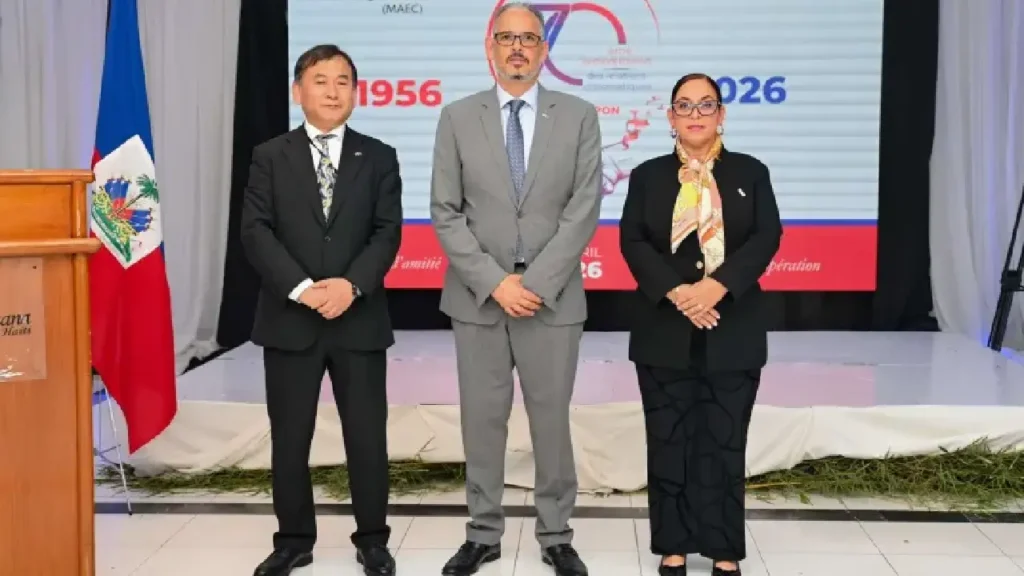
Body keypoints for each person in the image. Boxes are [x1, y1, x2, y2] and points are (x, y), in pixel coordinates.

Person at [428, 3, 602, 575]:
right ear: (490, 47)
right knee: (482, 420)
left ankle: (556, 536)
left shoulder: (578, 115)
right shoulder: (456, 117)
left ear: (545, 49)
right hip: (479, 299)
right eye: (507, 38)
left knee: (551, 421)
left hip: (551, 301)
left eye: (529, 37)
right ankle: (482, 533)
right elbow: (445, 212)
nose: (518, 47)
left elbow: (584, 209)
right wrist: (496, 282)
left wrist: (538, 282)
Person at [241, 44, 402, 576]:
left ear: (355, 92)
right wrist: (305, 288)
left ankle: (373, 539)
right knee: (290, 437)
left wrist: (350, 286)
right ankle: (292, 540)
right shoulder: (270, 155)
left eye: (343, 81)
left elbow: (386, 233)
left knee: (366, 437)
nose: (333, 91)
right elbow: (255, 231)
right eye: (321, 80)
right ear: (298, 90)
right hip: (291, 320)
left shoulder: (378, 155)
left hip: (358, 319)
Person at [618, 73, 782, 576]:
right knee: (668, 441)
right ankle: (673, 543)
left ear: (721, 114)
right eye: (684, 106)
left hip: (732, 330)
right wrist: (679, 292)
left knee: (724, 442)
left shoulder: (750, 172)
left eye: (705, 105)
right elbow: (633, 241)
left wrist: (717, 287)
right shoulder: (647, 175)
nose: (694, 114)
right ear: (669, 117)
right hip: (663, 331)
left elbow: (766, 236)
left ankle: (724, 548)